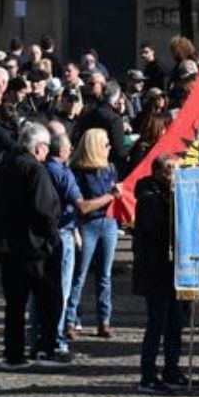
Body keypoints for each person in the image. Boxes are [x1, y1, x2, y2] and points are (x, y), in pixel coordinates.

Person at [0, 123, 65, 369]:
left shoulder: (2, 167)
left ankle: (14, 353)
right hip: (35, 247)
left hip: (9, 246)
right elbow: (46, 209)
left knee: (15, 304)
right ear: (39, 147)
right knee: (48, 300)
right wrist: (52, 237)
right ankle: (46, 348)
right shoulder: (34, 170)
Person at [133, 156, 193, 394]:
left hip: (173, 271)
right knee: (156, 324)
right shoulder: (149, 199)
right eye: (171, 171)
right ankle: (148, 376)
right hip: (155, 271)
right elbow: (159, 230)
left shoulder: (169, 196)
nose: (175, 176)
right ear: (159, 173)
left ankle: (172, 369)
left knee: (175, 323)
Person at [64, 128, 122, 339]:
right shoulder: (78, 172)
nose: (109, 148)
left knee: (105, 275)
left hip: (108, 223)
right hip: (87, 225)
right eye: (105, 144)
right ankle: (71, 319)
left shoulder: (110, 168)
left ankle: (104, 320)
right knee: (79, 275)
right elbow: (83, 207)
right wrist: (110, 196)